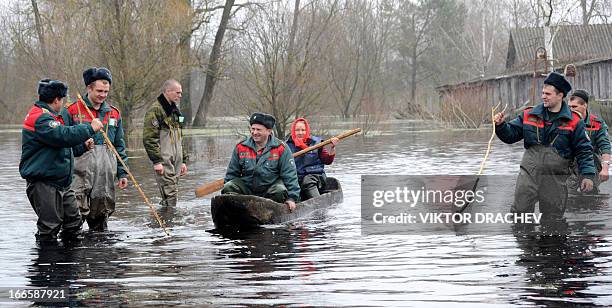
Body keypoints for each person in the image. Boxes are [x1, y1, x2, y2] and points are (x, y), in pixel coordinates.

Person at [493, 72, 596, 221]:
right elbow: (510, 136)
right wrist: (500, 125)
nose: (543, 96)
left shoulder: (575, 121)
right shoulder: (528, 115)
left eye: (548, 93)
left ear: (560, 95)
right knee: (520, 215)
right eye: (542, 93)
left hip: (555, 178)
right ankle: (525, 242)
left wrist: (587, 176)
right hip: (529, 174)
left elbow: (584, 150)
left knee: (553, 220)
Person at [20, 79, 104, 242]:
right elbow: (63, 135)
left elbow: (61, 145)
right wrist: (89, 128)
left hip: (62, 183)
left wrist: (82, 147)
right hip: (44, 183)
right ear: (57, 99)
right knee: (50, 227)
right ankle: (47, 263)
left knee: (73, 223)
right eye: (62, 100)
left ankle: (69, 263)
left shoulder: (50, 118)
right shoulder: (41, 118)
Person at [61, 67, 128, 231]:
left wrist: (122, 172)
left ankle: (99, 253)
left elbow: (119, 145)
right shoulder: (71, 111)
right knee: (74, 215)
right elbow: (62, 142)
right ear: (89, 88)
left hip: (104, 174)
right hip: (78, 172)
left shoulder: (113, 113)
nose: (103, 95)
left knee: (101, 217)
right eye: (99, 91)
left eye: (106, 91)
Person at [222, 112, 300, 210]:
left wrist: (292, 198)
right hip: (247, 190)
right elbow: (231, 174)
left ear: (268, 131)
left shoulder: (281, 148)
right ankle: (237, 210)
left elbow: (290, 175)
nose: (254, 132)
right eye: (253, 129)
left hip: (270, 190)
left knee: (280, 190)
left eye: (258, 130)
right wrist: (226, 193)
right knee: (229, 187)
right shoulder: (240, 147)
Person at [143, 79, 188, 207]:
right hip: (164, 161)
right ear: (168, 91)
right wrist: (157, 162)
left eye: (181, 93)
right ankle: (168, 223)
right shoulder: (155, 110)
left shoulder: (176, 111)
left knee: (172, 193)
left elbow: (181, 137)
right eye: (178, 93)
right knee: (170, 194)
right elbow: (149, 138)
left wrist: (183, 160)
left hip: (177, 161)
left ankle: (168, 220)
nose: (180, 96)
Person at [567, 89, 611, 193]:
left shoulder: (597, 124)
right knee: (567, 195)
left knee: (591, 196)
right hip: (570, 164)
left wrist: (605, 168)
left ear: (585, 105)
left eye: (574, 107)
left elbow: (605, 147)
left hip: (591, 164)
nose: (571, 110)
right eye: (569, 107)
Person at [286, 118, 339, 200]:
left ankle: (319, 204)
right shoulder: (286, 146)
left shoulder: (317, 143)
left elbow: (327, 161)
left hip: (316, 177)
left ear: (307, 130)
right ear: (293, 131)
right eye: (297, 130)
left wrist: (332, 148)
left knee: (308, 181)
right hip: (297, 178)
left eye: (303, 130)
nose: (300, 133)